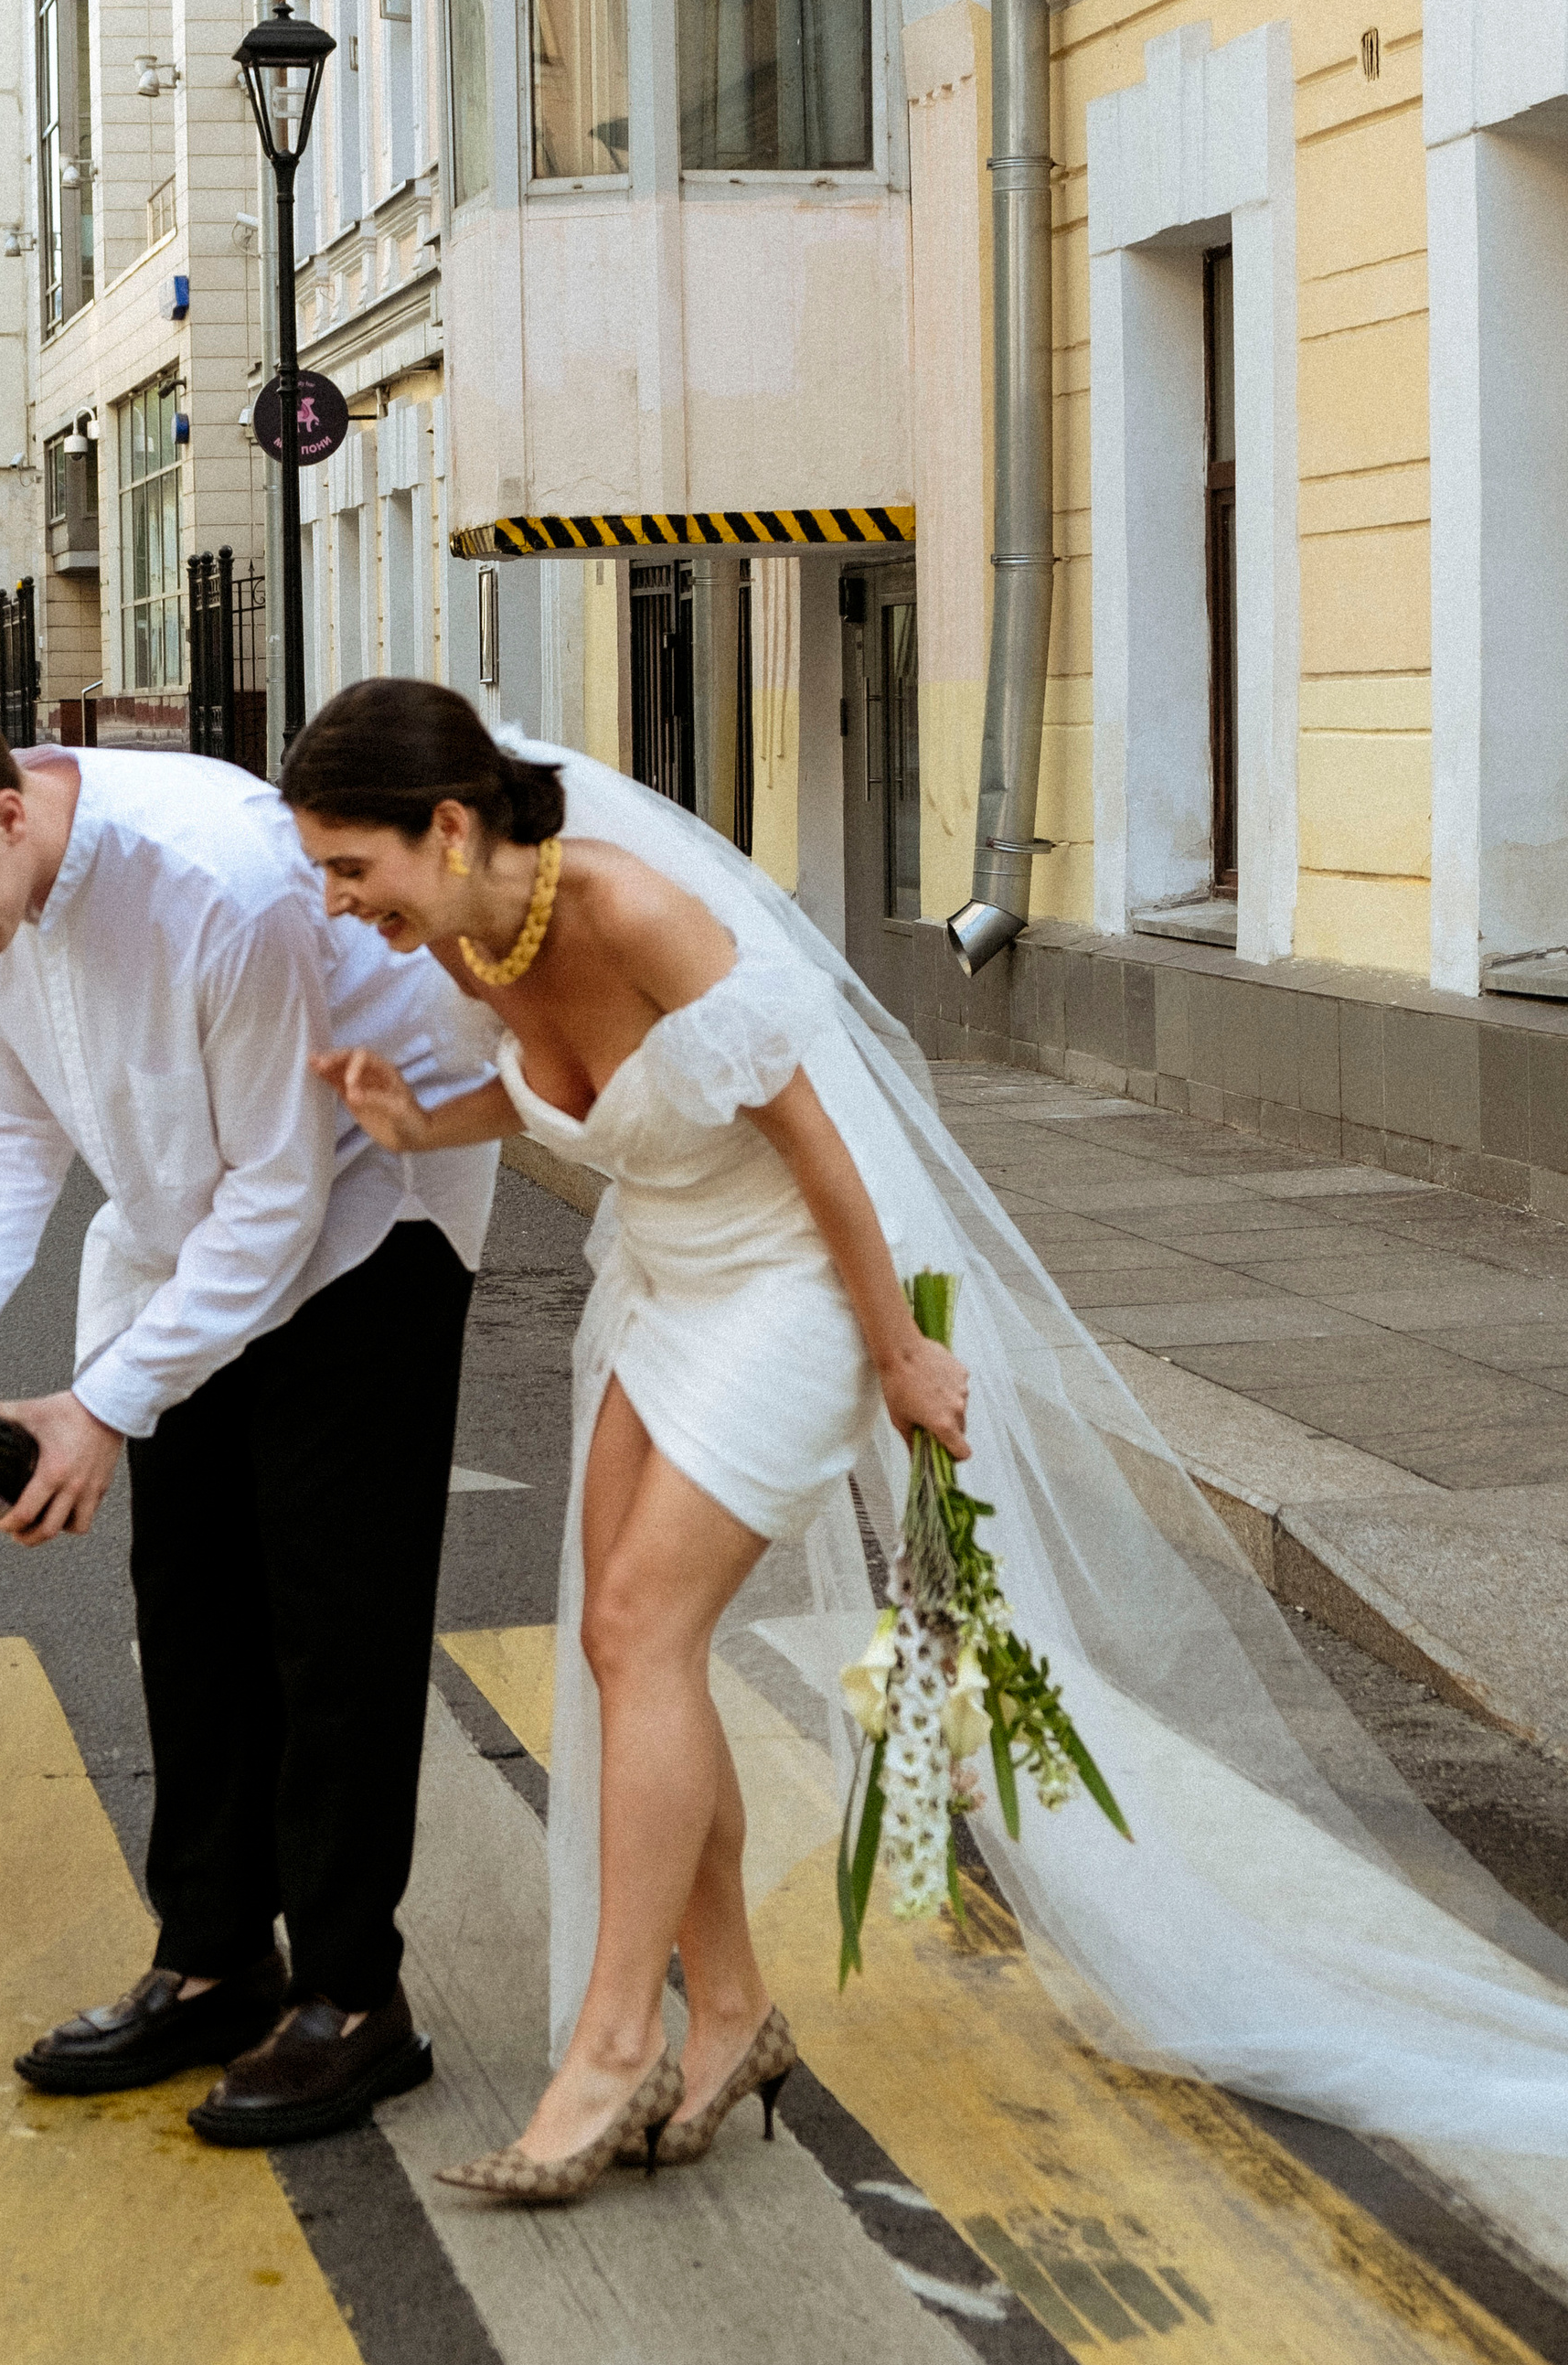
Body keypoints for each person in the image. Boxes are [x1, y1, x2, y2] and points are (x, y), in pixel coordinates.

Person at [283, 679, 1568, 2215]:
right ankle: (737, 2012)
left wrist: (900, 1351)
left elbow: (818, 1143)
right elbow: (581, 1095)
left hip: (801, 1286)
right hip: (671, 1285)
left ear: (446, 825)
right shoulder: (477, 942)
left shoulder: (630, 909)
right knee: (629, 1654)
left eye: (351, 871)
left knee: (639, 1626)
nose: (341, 907)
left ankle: (619, 2042)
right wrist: (415, 1124)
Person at [0, 683, 500, 2148]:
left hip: (370, 1222)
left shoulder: (221, 884)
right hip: (185, 1233)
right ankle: (220, 1959)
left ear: (6, 813)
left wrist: (103, 1404)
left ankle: (359, 2001)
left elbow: (282, 1193)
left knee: (332, 1621)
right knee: (191, 1610)